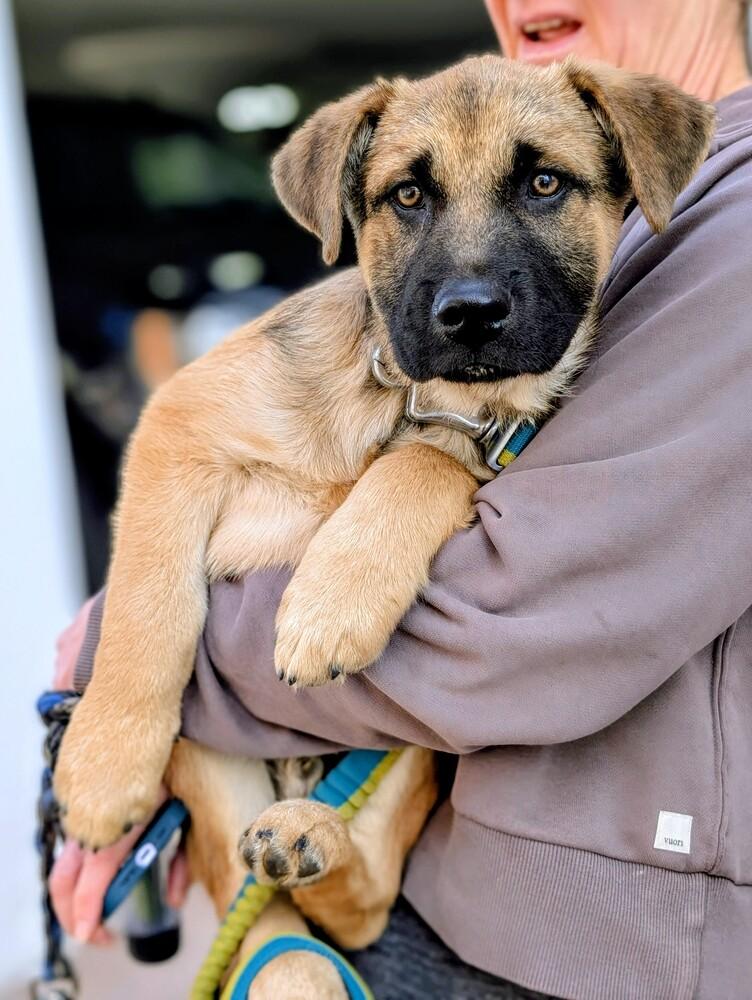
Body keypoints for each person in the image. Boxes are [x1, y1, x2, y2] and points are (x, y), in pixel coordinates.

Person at [50, 1, 752, 996]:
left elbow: (510, 622)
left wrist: (134, 660)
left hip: (587, 949)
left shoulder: (722, 218)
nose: (465, 279)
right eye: (410, 199)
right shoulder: (630, 225)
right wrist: (131, 691)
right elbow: (192, 448)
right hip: (454, 894)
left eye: (541, 183)